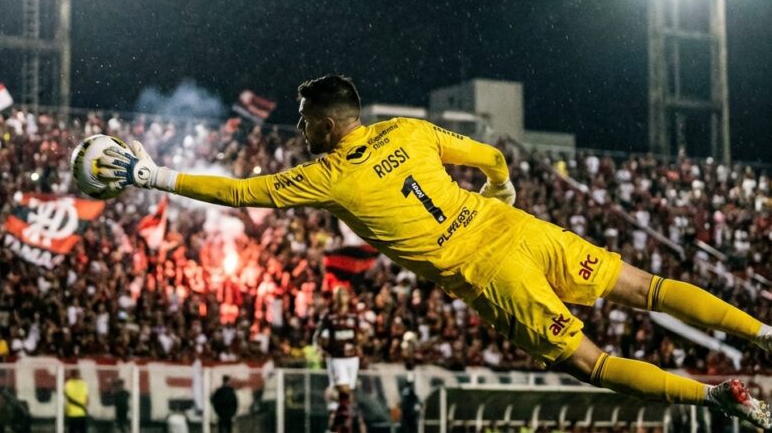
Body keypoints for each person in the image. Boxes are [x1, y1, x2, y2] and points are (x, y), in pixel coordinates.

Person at [97, 74, 772, 428]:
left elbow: (241, 194)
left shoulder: (329, 175)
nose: (302, 132)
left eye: (306, 123)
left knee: (594, 365)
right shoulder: (408, 131)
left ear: (329, 124)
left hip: (491, 271)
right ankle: (763, 332)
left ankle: (714, 399)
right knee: (648, 288)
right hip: (514, 228)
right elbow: (490, 157)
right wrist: (503, 192)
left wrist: (149, 175)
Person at [314, 287, 363, 433]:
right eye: (339, 294)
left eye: (344, 294)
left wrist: (360, 343)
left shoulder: (354, 315)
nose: (342, 297)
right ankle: (345, 427)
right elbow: (318, 335)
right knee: (344, 391)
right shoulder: (329, 316)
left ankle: (336, 427)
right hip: (336, 358)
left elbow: (359, 334)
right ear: (335, 297)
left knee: (347, 396)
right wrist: (320, 348)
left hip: (352, 357)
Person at [63, 369, 89, 433]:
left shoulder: (68, 384)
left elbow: (65, 395)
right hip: (82, 412)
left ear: (71, 375)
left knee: (72, 430)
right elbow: (87, 399)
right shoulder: (83, 384)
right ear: (79, 375)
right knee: (83, 431)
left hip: (71, 412)